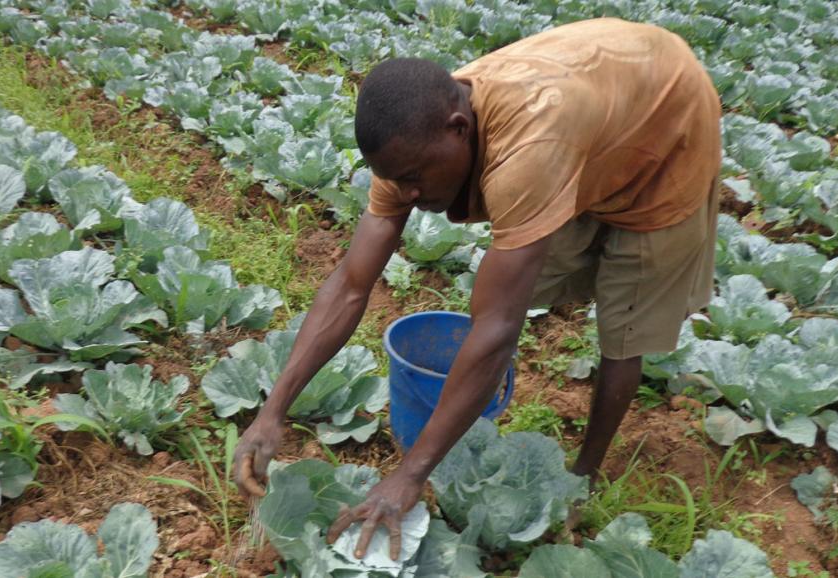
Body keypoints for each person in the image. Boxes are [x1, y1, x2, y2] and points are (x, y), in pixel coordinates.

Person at [232, 17, 721, 561]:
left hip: (667, 119)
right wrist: (272, 411)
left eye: (416, 176)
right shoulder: (405, 151)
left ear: (459, 128)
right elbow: (350, 284)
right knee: (526, 279)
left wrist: (409, 475)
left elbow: (497, 330)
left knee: (625, 322)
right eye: (398, 180)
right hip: (602, 102)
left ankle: (585, 475)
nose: (410, 193)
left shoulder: (529, 146)